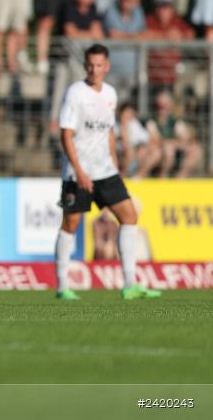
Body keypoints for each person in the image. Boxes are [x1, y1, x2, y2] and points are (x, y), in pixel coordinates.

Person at [54, 43, 160, 301]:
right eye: (90, 65)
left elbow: (109, 132)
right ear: (85, 66)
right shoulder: (75, 93)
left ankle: (129, 284)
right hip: (78, 172)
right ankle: (62, 286)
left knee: (129, 216)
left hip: (105, 171)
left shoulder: (110, 93)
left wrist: (115, 165)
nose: (94, 70)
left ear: (107, 66)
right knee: (71, 223)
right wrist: (79, 171)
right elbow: (66, 135)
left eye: (99, 65)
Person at [145, 91, 202, 178]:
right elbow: (157, 140)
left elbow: (187, 137)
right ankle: (162, 178)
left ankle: (180, 178)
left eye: (165, 105)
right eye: (159, 106)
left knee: (195, 149)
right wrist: (177, 143)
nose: (162, 108)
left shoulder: (175, 121)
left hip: (174, 148)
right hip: (159, 151)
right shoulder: (151, 121)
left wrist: (183, 142)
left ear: (170, 106)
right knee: (168, 150)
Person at [144, 0, 194, 94]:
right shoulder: (149, 19)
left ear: (171, 10)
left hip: (171, 76)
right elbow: (143, 35)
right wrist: (165, 36)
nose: (162, 11)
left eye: (166, 7)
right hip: (152, 75)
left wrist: (180, 36)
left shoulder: (177, 21)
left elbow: (190, 34)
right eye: (160, 7)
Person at [104, 0, 145, 88]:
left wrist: (123, 35)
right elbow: (113, 35)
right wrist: (133, 36)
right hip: (112, 70)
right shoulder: (111, 10)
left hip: (132, 70)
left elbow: (142, 36)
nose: (126, 2)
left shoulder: (138, 12)